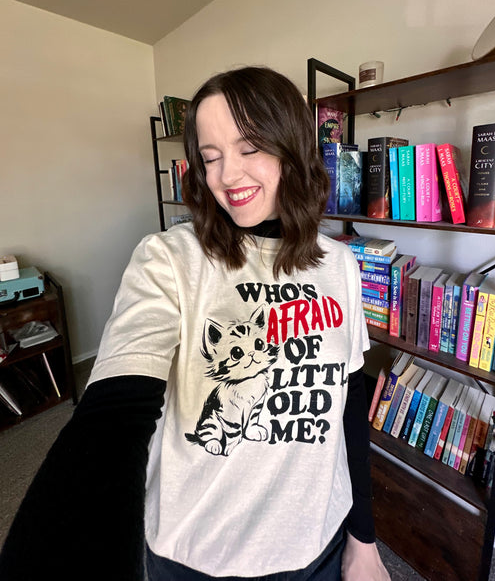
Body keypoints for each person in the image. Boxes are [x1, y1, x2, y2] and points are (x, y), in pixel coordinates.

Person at [0, 66, 390, 581]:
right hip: (197, 558)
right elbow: (115, 414)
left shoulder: (339, 264)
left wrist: (364, 538)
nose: (227, 176)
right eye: (211, 158)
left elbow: (348, 400)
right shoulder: (168, 258)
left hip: (317, 544)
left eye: (249, 147)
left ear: (292, 147)